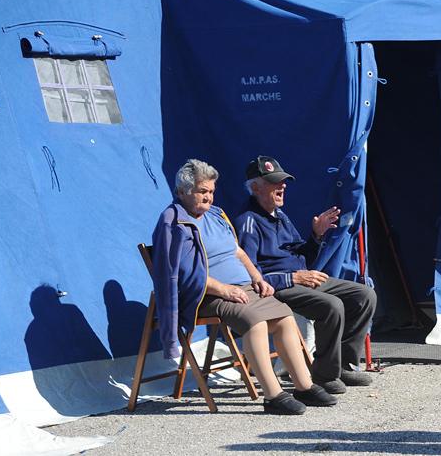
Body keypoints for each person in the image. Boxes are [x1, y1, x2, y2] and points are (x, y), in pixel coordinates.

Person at [151, 159, 337, 415]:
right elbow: (182, 272)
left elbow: (238, 252)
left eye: (211, 191)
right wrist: (224, 289)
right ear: (182, 191)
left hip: (242, 287)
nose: (208, 197)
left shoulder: (216, 215)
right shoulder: (173, 222)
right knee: (256, 322)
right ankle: (272, 395)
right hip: (206, 294)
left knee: (283, 317)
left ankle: (304, 386)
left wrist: (257, 278)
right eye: (202, 191)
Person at [235, 155, 377, 395]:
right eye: (275, 182)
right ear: (256, 187)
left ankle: (343, 364)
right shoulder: (248, 221)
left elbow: (302, 258)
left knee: (364, 295)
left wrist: (315, 236)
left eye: (283, 181)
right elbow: (251, 276)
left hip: (299, 279)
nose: (282, 186)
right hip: (277, 288)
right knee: (331, 306)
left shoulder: (280, 216)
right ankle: (323, 375)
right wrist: (293, 278)